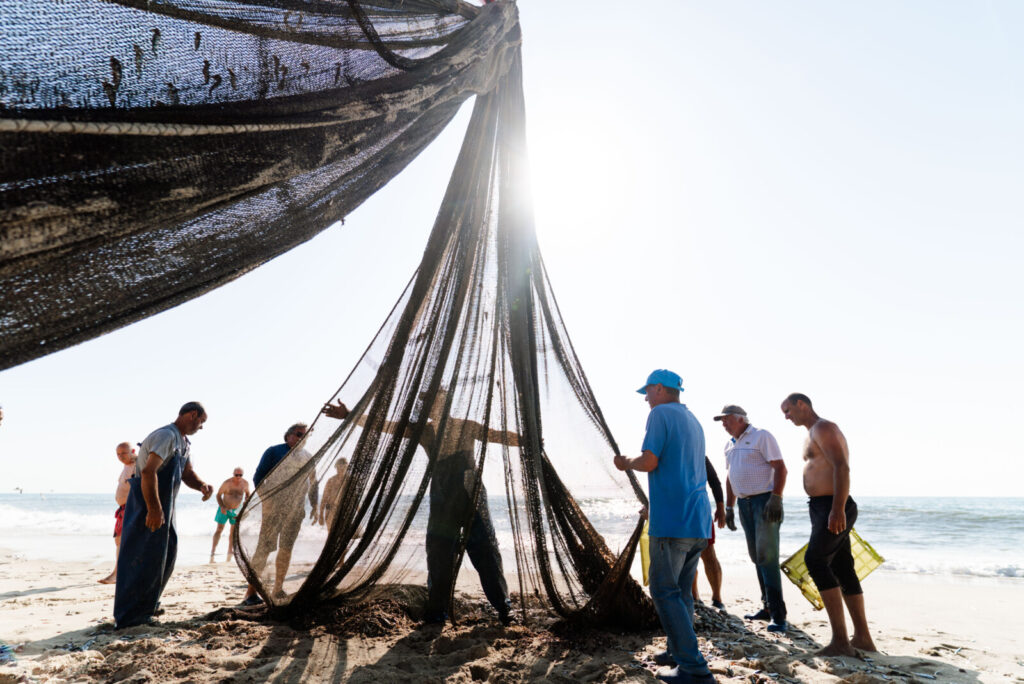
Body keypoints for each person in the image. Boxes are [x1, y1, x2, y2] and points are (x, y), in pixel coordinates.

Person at [322, 390, 516, 626]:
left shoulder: (465, 426)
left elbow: (497, 435)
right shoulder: (423, 431)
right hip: (442, 492)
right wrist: (350, 415)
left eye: (440, 401)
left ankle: (504, 608)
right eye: (432, 403)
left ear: (447, 403)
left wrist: (526, 440)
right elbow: (385, 426)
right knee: (439, 552)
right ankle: (437, 613)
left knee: (485, 547)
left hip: (469, 489)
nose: (437, 406)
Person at [613, 369, 714, 684]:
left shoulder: (660, 415)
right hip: (697, 520)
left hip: (672, 523)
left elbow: (650, 461)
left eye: (647, 391)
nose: (645, 398)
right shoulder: (692, 420)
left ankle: (694, 670)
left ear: (660, 389)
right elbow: (682, 470)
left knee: (663, 591)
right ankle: (676, 650)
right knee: (681, 592)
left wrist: (626, 462)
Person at [781, 393, 877, 656]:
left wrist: (836, 508)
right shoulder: (812, 432)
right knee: (842, 567)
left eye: (787, 410)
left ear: (802, 404)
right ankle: (863, 639)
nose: (786, 417)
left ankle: (840, 642)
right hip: (823, 506)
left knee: (816, 561)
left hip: (833, 505)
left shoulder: (824, 427)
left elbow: (842, 467)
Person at [114, 402, 213, 629]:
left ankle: (148, 605)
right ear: (192, 414)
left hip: (166, 505)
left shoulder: (184, 442)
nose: (201, 427)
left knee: (164, 557)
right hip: (146, 503)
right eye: (201, 421)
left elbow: (186, 473)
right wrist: (154, 509)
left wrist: (202, 486)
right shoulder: (166, 436)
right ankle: (130, 617)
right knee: (140, 558)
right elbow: (149, 472)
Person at [716, 404, 788, 633]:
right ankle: (766, 608)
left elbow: (781, 468)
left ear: (740, 419)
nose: (724, 424)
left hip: (764, 501)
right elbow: (730, 477)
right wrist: (729, 507)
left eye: (726, 420)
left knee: (767, 556)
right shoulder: (729, 444)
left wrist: (776, 497)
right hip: (744, 504)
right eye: (722, 421)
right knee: (756, 556)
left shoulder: (761, 436)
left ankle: (779, 615)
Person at [240, 423, 319, 605]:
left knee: (286, 548)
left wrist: (315, 505)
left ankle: (278, 588)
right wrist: (265, 500)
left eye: (305, 436)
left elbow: (314, 482)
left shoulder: (308, 457)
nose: (302, 439)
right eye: (299, 435)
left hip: (296, 510)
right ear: (289, 435)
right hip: (274, 509)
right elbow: (258, 477)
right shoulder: (274, 452)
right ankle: (250, 593)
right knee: (264, 548)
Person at [98, 442, 137, 584]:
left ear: (132, 451)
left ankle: (116, 574)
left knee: (123, 541)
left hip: (131, 507)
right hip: (122, 508)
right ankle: (120, 572)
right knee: (119, 541)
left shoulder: (138, 464)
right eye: (118, 454)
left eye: (124, 453)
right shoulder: (126, 465)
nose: (120, 456)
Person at [691, 456, 726, 609]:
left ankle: (717, 598)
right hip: (678, 511)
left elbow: (714, 480)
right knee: (687, 557)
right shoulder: (670, 450)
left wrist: (721, 507)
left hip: (700, 510)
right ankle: (694, 597)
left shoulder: (699, 454)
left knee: (708, 554)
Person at [210, 467, 251, 563]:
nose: (238, 477)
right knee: (219, 529)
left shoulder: (245, 483)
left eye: (240, 475)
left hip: (236, 511)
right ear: (233, 474)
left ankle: (230, 551)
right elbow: (218, 495)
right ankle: (213, 551)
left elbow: (248, 494)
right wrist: (222, 507)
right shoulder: (227, 483)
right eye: (236, 475)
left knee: (233, 532)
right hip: (224, 508)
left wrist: (246, 502)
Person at [318, 458, 348, 531]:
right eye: (338, 467)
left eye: (343, 467)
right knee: (331, 534)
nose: (340, 469)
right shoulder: (331, 481)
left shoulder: (349, 480)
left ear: (346, 467)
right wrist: (321, 515)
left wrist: (359, 512)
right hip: (330, 510)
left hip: (344, 511)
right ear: (336, 467)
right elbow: (324, 498)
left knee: (342, 534)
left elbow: (354, 498)